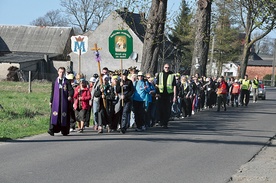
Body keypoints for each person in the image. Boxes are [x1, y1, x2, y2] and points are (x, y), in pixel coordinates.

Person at [48, 67, 74, 136]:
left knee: (64, 115)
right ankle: (52, 129)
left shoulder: (67, 81)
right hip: (56, 102)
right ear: (58, 72)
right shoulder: (55, 81)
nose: (61, 73)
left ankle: (64, 130)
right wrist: (51, 101)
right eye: (60, 72)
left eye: (62, 72)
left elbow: (71, 90)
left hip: (64, 102)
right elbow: (53, 92)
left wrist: (70, 96)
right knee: (54, 114)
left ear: (64, 73)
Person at [155, 63, 177, 128]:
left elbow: (174, 86)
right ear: (163, 67)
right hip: (161, 94)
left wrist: (174, 96)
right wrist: (157, 93)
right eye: (165, 67)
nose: (167, 69)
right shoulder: (160, 74)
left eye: (168, 67)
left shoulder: (172, 75)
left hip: (168, 94)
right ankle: (161, 121)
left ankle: (165, 123)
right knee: (160, 108)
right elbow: (157, 84)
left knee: (167, 109)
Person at [116, 69, 134, 134]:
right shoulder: (119, 82)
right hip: (120, 100)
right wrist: (120, 86)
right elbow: (117, 90)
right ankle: (120, 125)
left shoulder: (129, 82)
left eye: (125, 75)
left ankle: (123, 127)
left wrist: (125, 96)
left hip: (127, 100)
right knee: (120, 112)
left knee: (125, 113)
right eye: (123, 75)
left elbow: (132, 91)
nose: (124, 76)